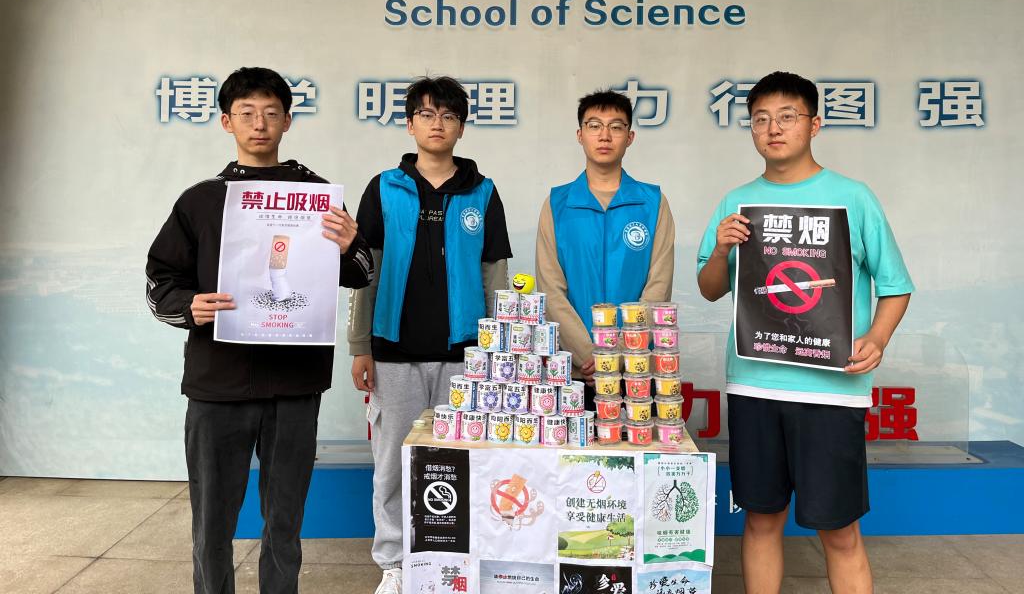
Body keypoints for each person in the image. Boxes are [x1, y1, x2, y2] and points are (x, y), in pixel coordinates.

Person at [146, 67, 374, 594]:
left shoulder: (318, 198)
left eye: (271, 113)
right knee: (212, 522)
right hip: (217, 382)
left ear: (288, 121)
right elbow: (161, 281)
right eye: (246, 113)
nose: (259, 124)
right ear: (226, 122)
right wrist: (190, 306)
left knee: (285, 523)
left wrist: (348, 245)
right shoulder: (201, 200)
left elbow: (361, 273)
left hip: (294, 383)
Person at [696, 71, 913, 594]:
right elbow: (709, 288)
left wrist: (878, 338)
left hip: (831, 391)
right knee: (761, 519)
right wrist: (722, 248)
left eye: (787, 117)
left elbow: (896, 285)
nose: (774, 129)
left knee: (839, 531)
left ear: (814, 125)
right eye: (761, 119)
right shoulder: (737, 202)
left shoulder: (852, 197)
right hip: (754, 385)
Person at [347, 76, 512, 594]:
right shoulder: (384, 188)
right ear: (410, 124)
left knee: (462, 458)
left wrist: (499, 350)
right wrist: (359, 346)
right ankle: (395, 563)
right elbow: (364, 270)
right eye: (426, 114)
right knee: (394, 461)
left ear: (461, 127)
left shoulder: (482, 192)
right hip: (393, 349)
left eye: (448, 115)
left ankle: (456, 558)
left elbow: (495, 274)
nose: (437, 124)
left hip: (466, 353)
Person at [536, 89, 674, 406]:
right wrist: (590, 354)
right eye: (594, 125)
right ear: (580, 135)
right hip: (574, 370)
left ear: (630, 137)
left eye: (616, 126)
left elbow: (659, 284)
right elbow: (550, 288)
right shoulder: (558, 204)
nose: (605, 135)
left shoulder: (652, 203)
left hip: (636, 368)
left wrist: (620, 353)